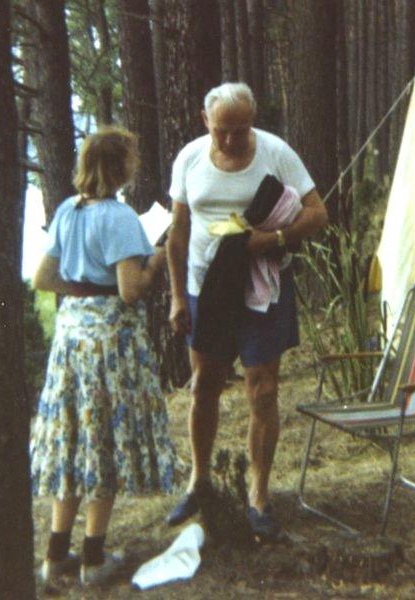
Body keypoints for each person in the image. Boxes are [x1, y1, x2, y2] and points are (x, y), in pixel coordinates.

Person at [165, 82, 328, 540]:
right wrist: (178, 297)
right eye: (222, 131)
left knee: (263, 389)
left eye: (242, 130)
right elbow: (177, 233)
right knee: (205, 384)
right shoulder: (190, 159)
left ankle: (258, 495)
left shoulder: (276, 153)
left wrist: (274, 240)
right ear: (205, 122)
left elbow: (318, 213)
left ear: (253, 122)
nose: (232, 141)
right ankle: (199, 481)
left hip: (262, 289)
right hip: (206, 288)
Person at [30, 126, 177, 586]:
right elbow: (130, 291)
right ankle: (93, 559)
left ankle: (56, 555)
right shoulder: (119, 217)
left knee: (73, 440)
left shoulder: (67, 211)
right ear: (121, 168)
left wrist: (80, 290)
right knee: (102, 444)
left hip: (71, 336)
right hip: (109, 344)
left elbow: (42, 278)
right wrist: (156, 255)